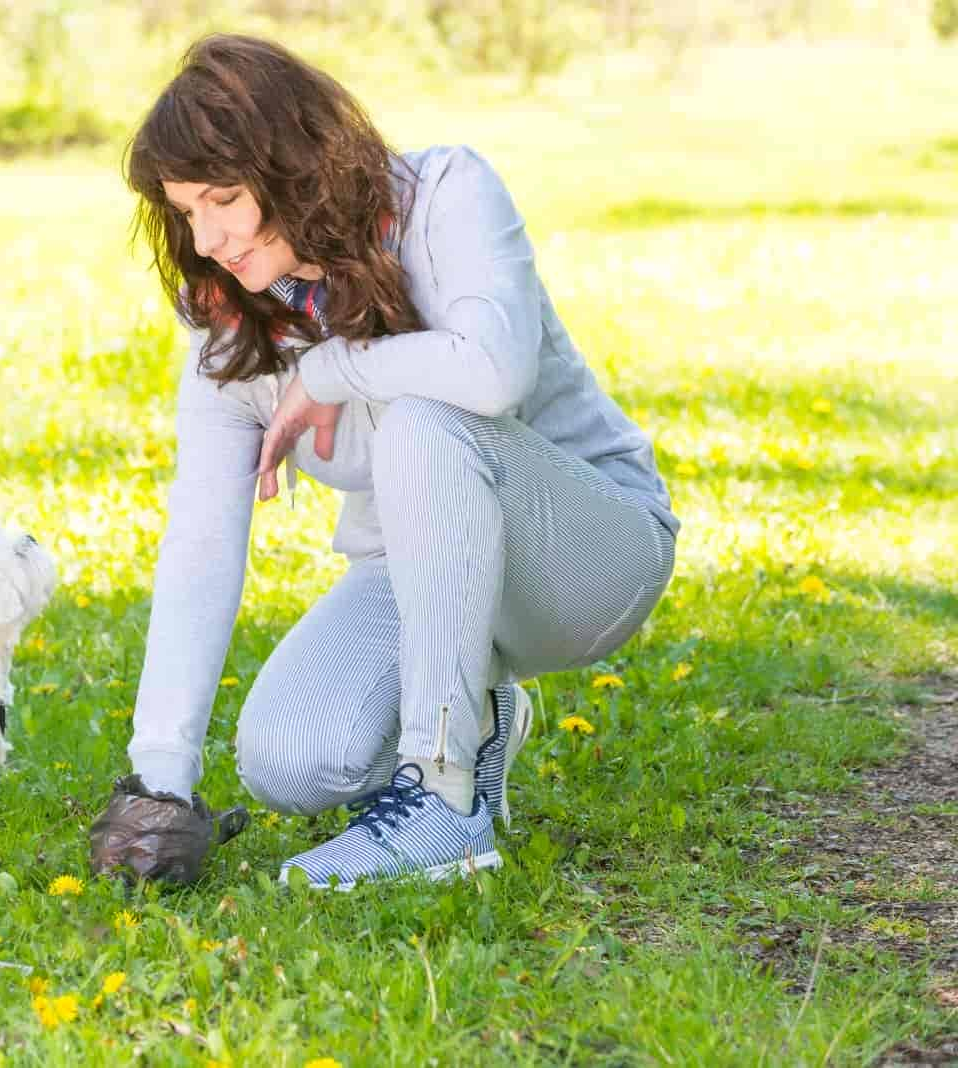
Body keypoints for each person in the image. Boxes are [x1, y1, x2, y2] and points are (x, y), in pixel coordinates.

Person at [87, 34, 678, 891]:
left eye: (225, 198)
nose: (207, 236)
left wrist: (334, 368)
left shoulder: (448, 196)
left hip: (589, 556)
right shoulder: (231, 319)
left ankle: (443, 795)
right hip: (417, 571)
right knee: (289, 762)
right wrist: (160, 775)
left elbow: (493, 367)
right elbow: (203, 539)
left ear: (294, 165)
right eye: (185, 210)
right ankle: (474, 714)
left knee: (420, 421)